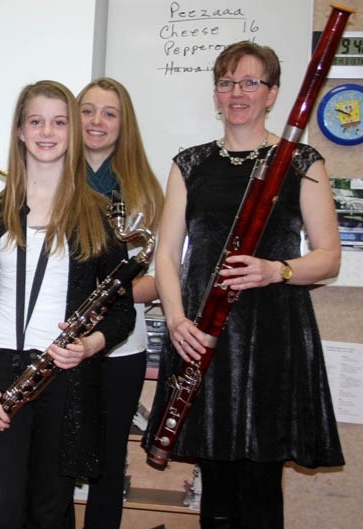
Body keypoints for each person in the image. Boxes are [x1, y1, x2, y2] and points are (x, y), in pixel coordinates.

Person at [144, 41, 344, 529]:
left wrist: (279, 270)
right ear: (216, 93)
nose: (237, 93)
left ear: (272, 93)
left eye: (251, 82)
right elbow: (167, 256)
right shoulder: (189, 164)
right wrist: (174, 320)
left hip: (272, 338)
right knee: (215, 487)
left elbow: (328, 257)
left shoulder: (301, 161)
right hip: (203, 337)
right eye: (227, 83)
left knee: (260, 486)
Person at [0, 80, 135, 529]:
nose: (46, 132)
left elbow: (122, 311)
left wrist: (90, 346)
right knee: (0, 512)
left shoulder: (97, 214)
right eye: (35, 121)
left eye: (58, 122)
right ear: (19, 132)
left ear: (72, 133)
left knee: (51, 511)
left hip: (64, 379)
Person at [77, 78, 164, 529]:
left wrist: (107, 297)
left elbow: (162, 279)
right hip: (61, 345)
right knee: (52, 456)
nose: (96, 121)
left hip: (121, 347)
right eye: (87, 111)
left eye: (109, 113)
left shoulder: (147, 190)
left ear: (123, 123)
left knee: (109, 465)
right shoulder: (53, 181)